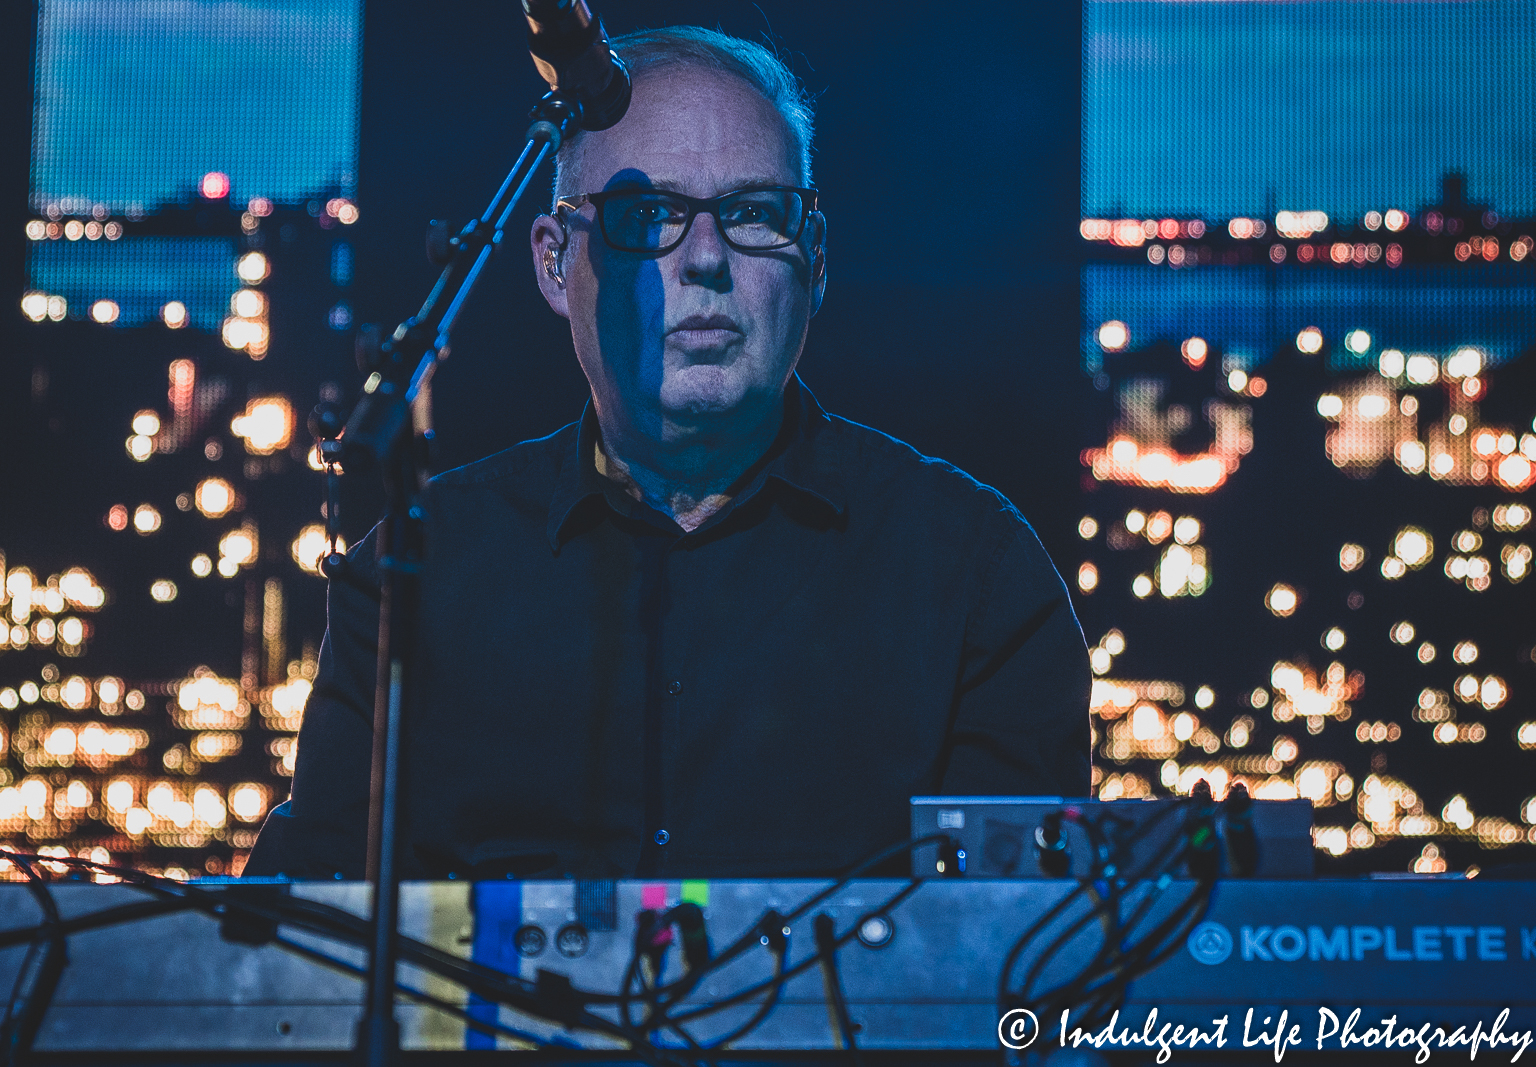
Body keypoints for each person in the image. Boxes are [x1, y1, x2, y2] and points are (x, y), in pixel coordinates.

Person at [245, 26, 1089, 882]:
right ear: (552, 260)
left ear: (815, 260)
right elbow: (293, 955)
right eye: (648, 216)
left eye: (755, 212)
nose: (709, 258)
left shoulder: (975, 574)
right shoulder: (408, 579)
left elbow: (1023, 964)